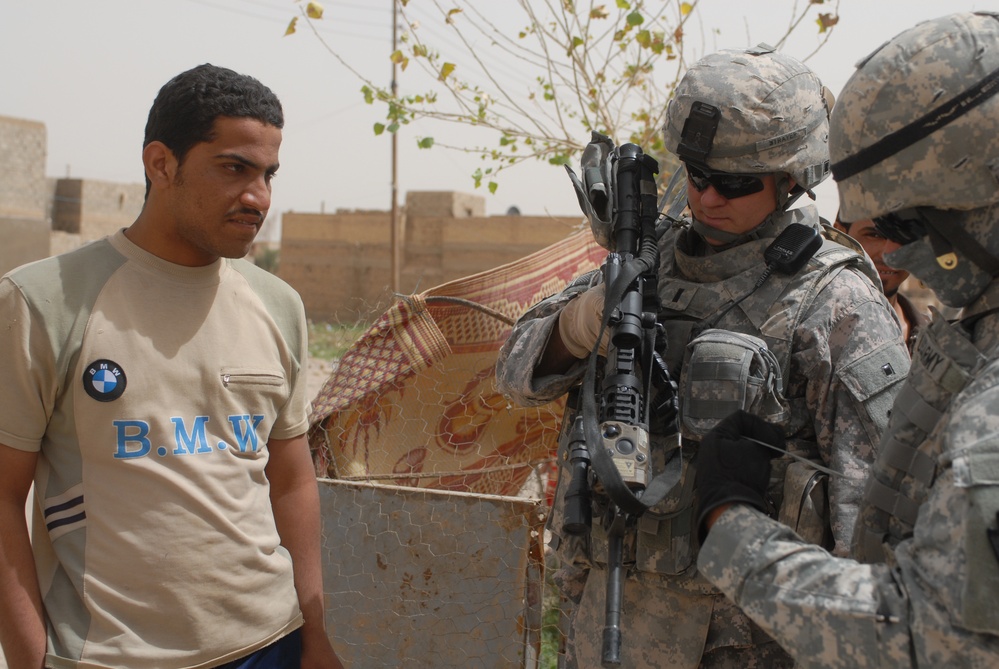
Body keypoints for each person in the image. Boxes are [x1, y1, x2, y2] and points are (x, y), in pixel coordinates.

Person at [496, 45, 909, 668]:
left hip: (747, 643)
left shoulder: (833, 299)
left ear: (792, 176)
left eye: (736, 182)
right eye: (696, 174)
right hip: (601, 619)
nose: (709, 196)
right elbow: (515, 377)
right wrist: (579, 327)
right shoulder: (644, 263)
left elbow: (872, 513)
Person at [0, 64, 345, 668]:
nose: (258, 197)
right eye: (234, 168)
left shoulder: (277, 305)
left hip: (271, 646)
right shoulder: (44, 302)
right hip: (110, 656)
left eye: (268, 175)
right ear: (162, 164)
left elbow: (292, 481)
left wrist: (316, 634)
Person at [695, 11, 999, 667]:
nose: (891, 251)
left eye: (907, 222)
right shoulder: (973, 325)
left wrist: (731, 527)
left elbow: (922, 642)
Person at [834, 214, 930, 352]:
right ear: (839, 235)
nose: (890, 254)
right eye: (875, 235)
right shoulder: (811, 327)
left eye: (904, 237)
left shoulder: (936, 338)